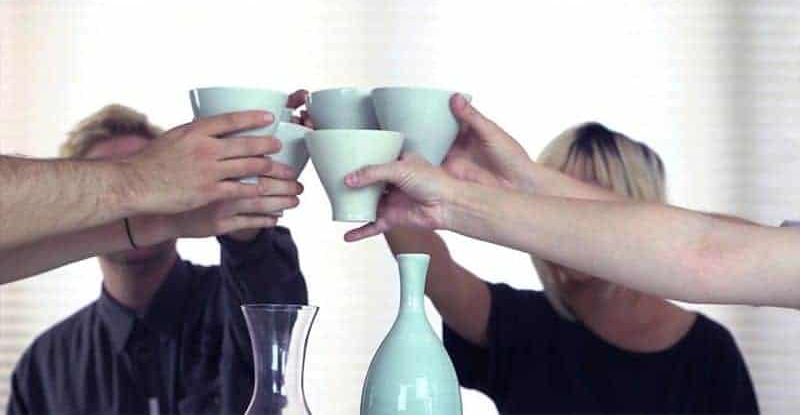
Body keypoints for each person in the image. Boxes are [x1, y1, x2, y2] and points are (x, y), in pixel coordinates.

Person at [382, 123, 758, 413]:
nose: (565, 225)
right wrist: (383, 164)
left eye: (584, 209)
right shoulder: (524, 326)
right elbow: (435, 270)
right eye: (551, 207)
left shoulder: (709, 354)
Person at [343, 94, 800, 309]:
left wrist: (456, 203)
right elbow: (723, 243)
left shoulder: (706, 355)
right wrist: (522, 184)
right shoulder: (527, 329)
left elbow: (710, 252)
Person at [6, 104, 308, 415]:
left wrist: (244, 205)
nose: (138, 203)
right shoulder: (44, 367)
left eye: (154, 178)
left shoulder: (234, 305)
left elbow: (275, 314)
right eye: (110, 187)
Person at [0, 89, 308, 285]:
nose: (146, 200)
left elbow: (273, 319)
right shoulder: (46, 359)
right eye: (98, 172)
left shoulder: (222, 305)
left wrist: (240, 208)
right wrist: (136, 179)